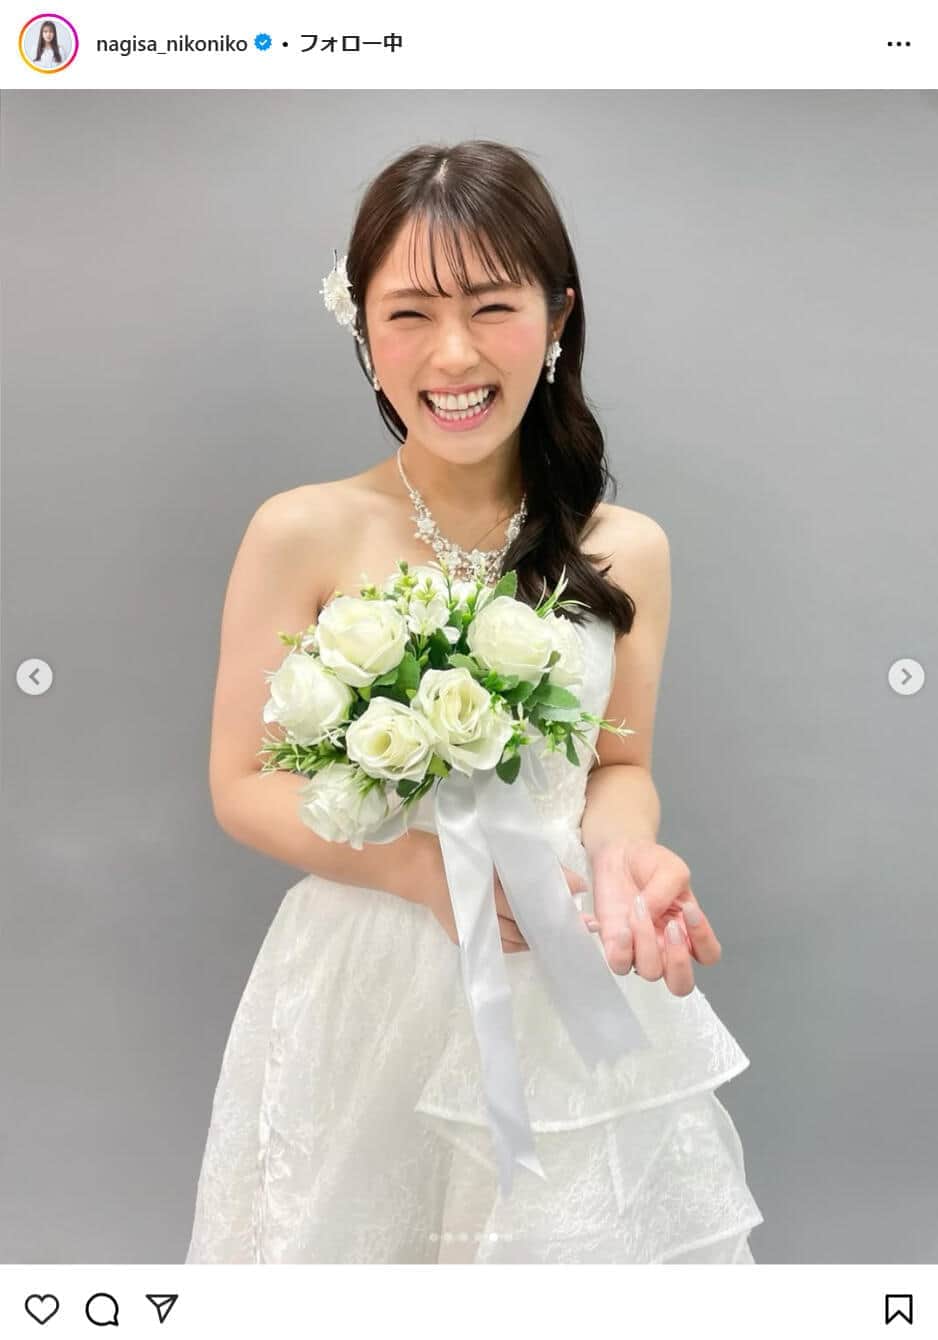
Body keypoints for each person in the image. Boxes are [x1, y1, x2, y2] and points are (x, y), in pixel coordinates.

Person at [185, 139, 764, 1263]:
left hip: (557, 947)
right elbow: (242, 781)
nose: (451, 353)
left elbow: (616, 768)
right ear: (363, 331)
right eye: (408, 314)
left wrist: (624, 861)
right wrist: (423, 873)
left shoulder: (629, 549)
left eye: (492, 307)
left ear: (557, 318)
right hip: (368, 971)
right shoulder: (300, 529)